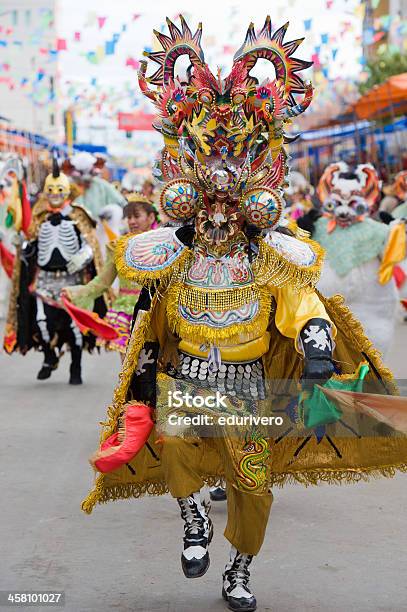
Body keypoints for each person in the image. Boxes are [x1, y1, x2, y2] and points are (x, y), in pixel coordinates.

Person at [81, 17, 407, 612]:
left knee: (253, 488)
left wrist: (314, 341)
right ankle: (193, 516)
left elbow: (301, 302)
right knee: (178, 449)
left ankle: (238, 571)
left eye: (233, 199)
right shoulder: (175, 253)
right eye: (209, 197)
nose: (221, 213)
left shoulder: (271, 257)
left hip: (250, 390)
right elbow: (135, 277)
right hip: (191, 384)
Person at [3, 157, 106, 384]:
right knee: (42, 322)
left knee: (75, 327)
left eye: (60, 189)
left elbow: (92, 246)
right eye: (51, 190)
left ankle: (76, 367)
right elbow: (30, 243)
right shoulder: (38, 215)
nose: (55, 194)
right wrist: (22, 244)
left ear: (67, 191)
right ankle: (50, 357)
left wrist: (82, 257)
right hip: (44, 281)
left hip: (74, 280)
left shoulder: (79, 213)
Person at [298, 161, 406, 357]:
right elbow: (299, 252)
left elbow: (394, 252)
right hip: (327, 306)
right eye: (338, 202)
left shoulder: (374, 230)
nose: (344, 211)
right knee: (332, 356)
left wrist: (397, 232)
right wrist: (302, 230)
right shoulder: (319, 227)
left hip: (370, 305)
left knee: (371, 353)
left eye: (353, 203)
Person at [63, 194, 157, 358]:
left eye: (137, 216)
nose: (132, 221)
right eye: (128, 217)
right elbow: (103, 281)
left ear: (151, 217)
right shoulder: (118, 247)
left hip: (154, 312)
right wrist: (76, 293)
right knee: (128, 369)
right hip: (126, 312)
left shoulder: (164, 245)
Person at [63, 152, 126, 217]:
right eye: (81, 172)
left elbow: (121, 202)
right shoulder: (68, 186)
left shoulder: (101, 184)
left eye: (88, 172)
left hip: (99, 224)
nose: (85, 177)